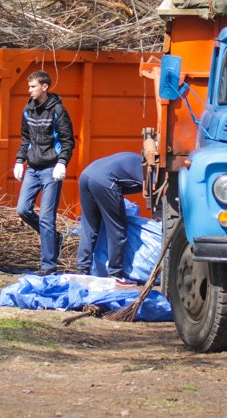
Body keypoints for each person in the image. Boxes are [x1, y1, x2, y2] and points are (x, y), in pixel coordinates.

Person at [14, 70, 74, 275]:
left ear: (45, 87)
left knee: (47, 217)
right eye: (29, 86)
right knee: (22, 209)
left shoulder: (58, 110)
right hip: (32, 169)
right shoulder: (28, 110)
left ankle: (48, 265)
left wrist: (62, 163)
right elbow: (26, 139)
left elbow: (67, 141)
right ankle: (54, 238)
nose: (29, 90)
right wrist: (19, 160)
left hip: (51, 169)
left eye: (33, 86)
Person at [75, 152, 144, 287]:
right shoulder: (145, 170)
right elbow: (153, 193)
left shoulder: (134, 159)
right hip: (105, 180)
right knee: (117, 229)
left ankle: (82, 269)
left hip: (86, 175)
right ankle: (115, 274)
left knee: (89, 227)